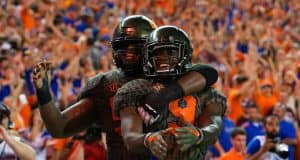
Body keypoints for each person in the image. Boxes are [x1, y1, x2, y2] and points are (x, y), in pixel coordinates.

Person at [32, 15, 219, 160]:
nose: (129, 53)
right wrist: (43, 93)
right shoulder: (103, 85)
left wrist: (166, 94)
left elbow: (208, 72)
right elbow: (60, 128)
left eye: (135, 47)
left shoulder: (168, 73)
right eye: (123, 46)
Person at [114, 25, 227, 160]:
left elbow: (214, 126)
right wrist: (148, 139)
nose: (163, 57)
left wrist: (199, 135)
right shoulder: (136, 90)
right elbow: (130, 137)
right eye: (158, 52)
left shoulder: (204, 91)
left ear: (184, 55)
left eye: (170, 52)